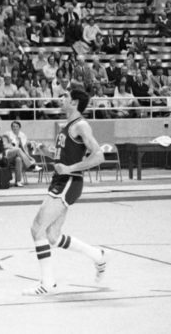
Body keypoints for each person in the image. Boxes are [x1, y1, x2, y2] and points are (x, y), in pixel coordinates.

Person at [24, 89, 107, 296]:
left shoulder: (81, 125)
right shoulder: (67, 126)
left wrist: (69, 169)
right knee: (52, 235)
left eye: (65, 96)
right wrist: (44, 149)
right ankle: (97, 255)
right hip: (61, 179)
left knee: (37, 229)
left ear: (75, 102)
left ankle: (48, 283)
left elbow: (98, 157)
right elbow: (63, 154)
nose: (61, 99)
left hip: (69, 181)